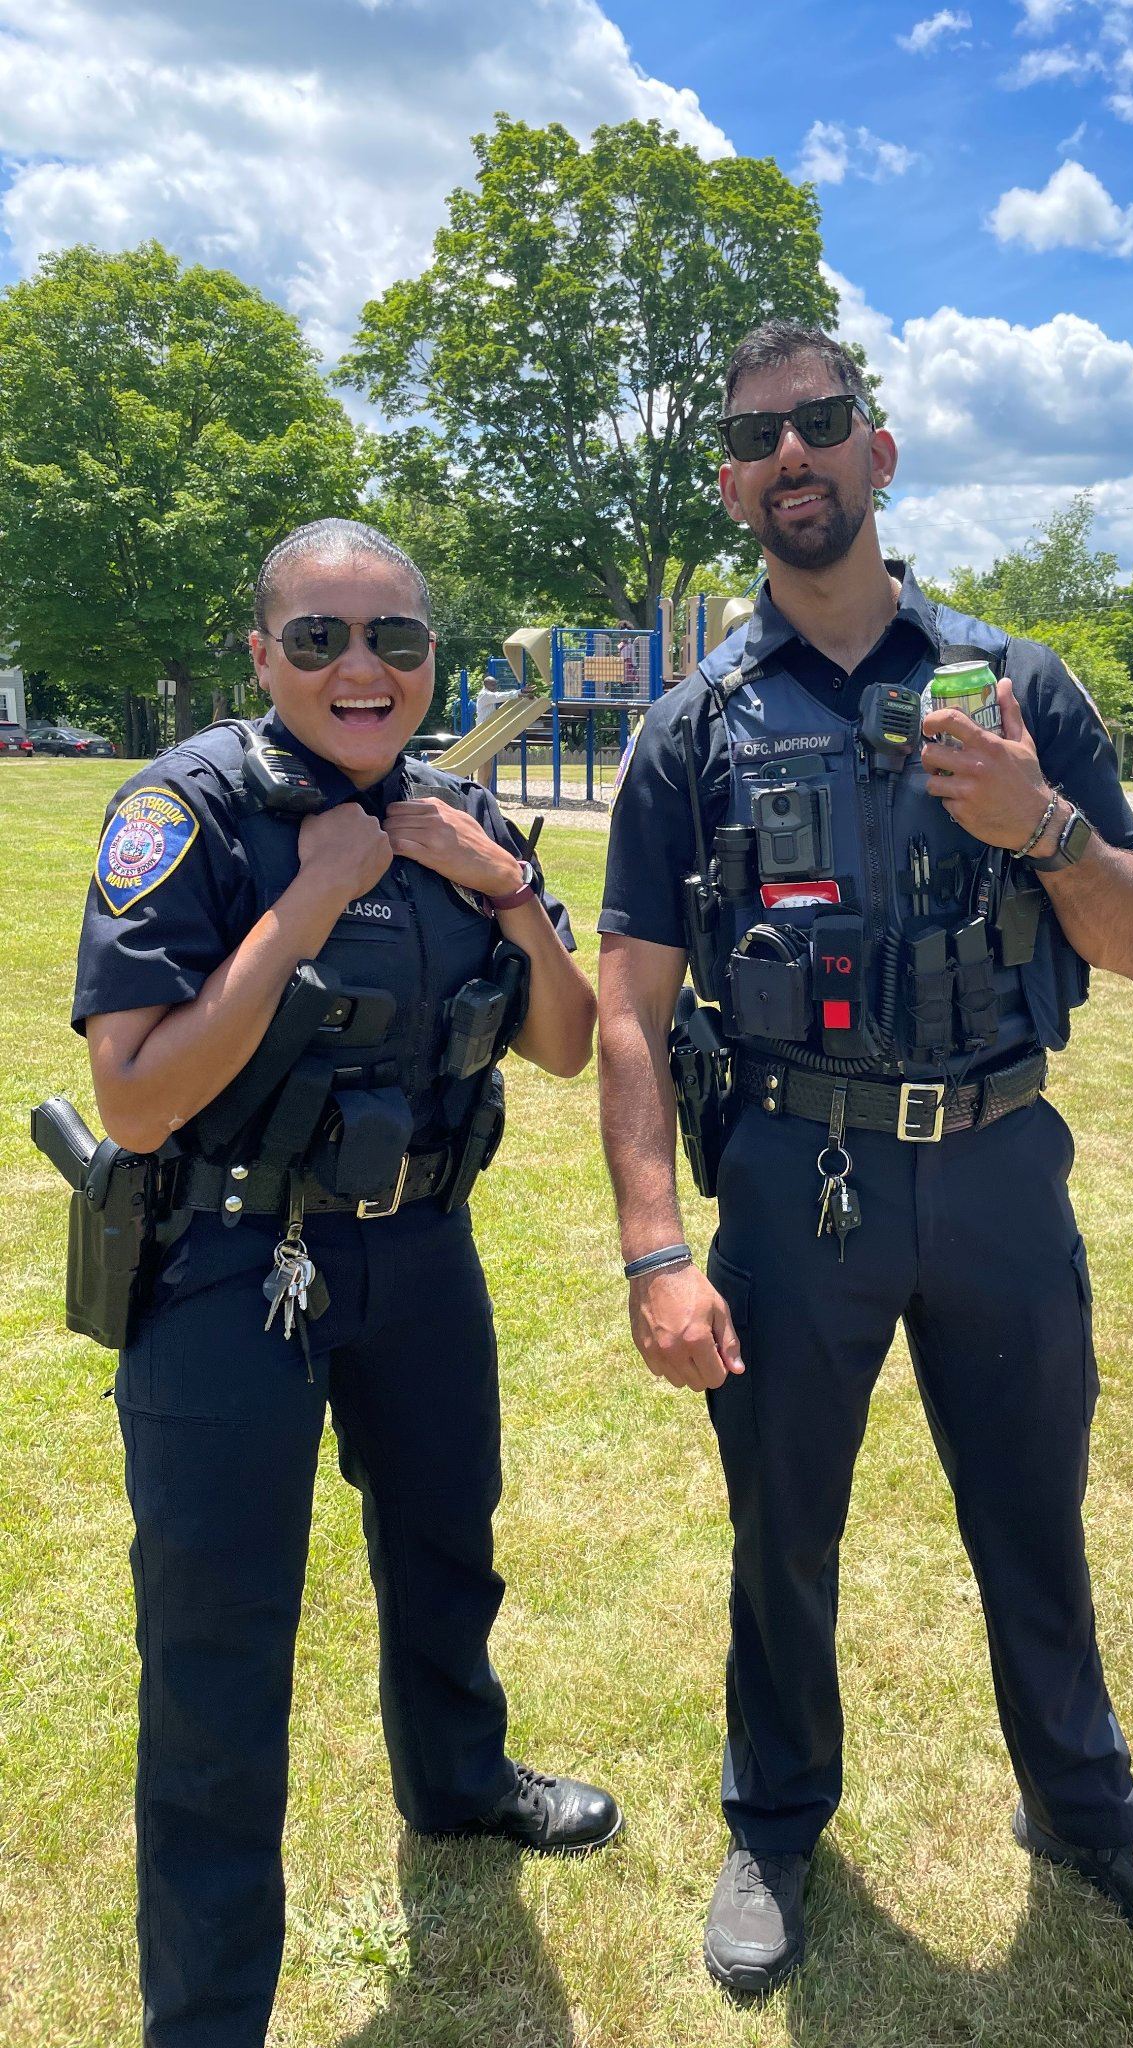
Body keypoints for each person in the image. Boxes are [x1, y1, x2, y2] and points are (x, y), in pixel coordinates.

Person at [596, 323, 1133, 1992]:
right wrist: (657, 1250)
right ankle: (774, 1824)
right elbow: (628, 1005)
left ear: (881, 455)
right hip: (796, 1184)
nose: (790, 455)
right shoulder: (693, 728)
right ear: (734, 481)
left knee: (1033, 1511)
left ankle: (1086, 1811)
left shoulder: (1016, 689)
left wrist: (1038, 822)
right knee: (781, 1523)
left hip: (998, 1165)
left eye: (821, 423)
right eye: (758, 437)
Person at [73, 519, 619, 2048]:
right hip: (230, 1260)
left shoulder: (461, 816)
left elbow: (567, 1041)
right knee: (217, 1640)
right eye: (320, 639)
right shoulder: (187, 813)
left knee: (449, 1543)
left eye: (394, 638)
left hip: (419, 1246)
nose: (361, 669)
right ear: (263, 655)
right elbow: (133, 1103)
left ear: (432, 657)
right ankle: (207, 2015)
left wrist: (503, 886)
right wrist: (309, 898)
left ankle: (457, 1784)